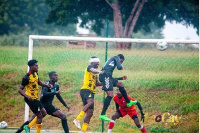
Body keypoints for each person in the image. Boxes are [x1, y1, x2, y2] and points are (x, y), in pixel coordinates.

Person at [18, 59, 53, 133]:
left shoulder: (36, 74)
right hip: (30, 99)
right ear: (31, 66)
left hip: (36, 98)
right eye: (36, 65)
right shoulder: (26, 77)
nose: (37, 66)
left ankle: (27, 126)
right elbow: (20, 90)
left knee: (44, 113)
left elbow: (39, 82)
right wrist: (27, 96)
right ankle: (33, 129)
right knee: (40, 115)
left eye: (37, 65)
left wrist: (47, 85)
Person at [99, 54, 136, 121]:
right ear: (120, 58)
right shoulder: (116, 57)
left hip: (108, 77)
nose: (120, 63)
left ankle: (128, 101)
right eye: (121, 61)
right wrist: (121, 66)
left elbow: (110, 79)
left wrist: (121, 78)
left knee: (119, 83)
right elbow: (119, 67)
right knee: (110, 95)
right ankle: (102, 114)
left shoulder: (112, 62)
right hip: (105, 76)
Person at [73, 56, 104, 133]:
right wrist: (99, 71)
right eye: (97, 62)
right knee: (90, 102)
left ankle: (83, 131)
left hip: (91, 92)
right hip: (86, 90)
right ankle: (77, 119)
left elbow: (97, 83)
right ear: (93, 62)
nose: (98, 64)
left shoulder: (95, 74)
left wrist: (106, 84)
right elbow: (92, 70)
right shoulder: (90, 67)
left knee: (90, 112)